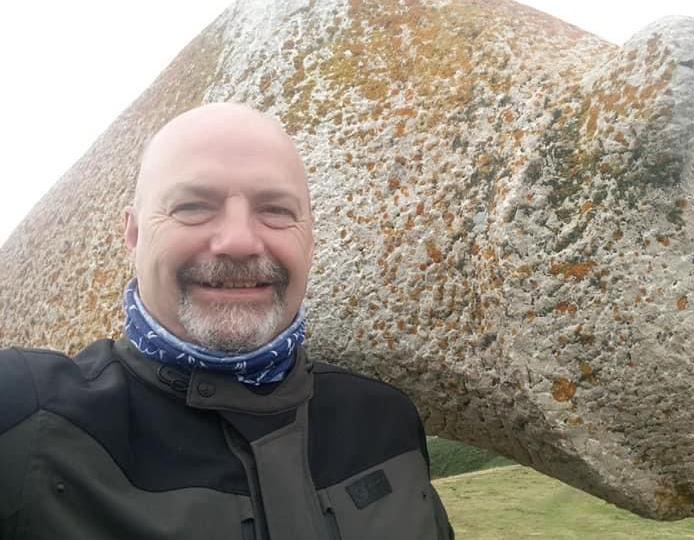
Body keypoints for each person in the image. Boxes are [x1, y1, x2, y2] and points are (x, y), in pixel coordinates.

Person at [0, 103, 454, 540]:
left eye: (275, 210)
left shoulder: (385, 423)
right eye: (194, 206)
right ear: (133, 234)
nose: (238, 241)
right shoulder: (27, 417)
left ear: (310, 239)